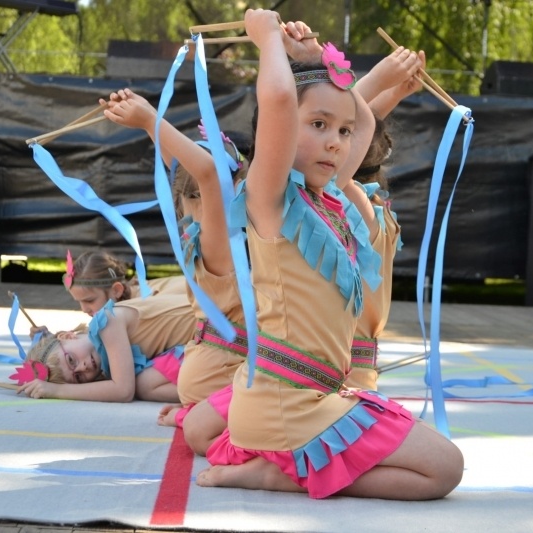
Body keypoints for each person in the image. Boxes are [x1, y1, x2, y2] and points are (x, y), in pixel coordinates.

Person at [197, 9, 463, 501]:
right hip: (287, 401)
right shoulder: (270, 199)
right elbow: (278, 99)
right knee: (445, 468)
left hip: (314, 396)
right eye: (318, 125)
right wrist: (267, 42)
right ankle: (279, 474)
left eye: (341, 133)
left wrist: (314, 62)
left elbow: (362, 116)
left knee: (443, 467)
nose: (336, 142)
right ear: (279, 133)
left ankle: (284, 468)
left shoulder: (329, 199)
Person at [100, 88, 248, 441]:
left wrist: (151, 123)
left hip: (218, 378)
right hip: (216, 378)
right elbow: (203, 173)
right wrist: (150, 119)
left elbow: (200, 174)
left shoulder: (217, 238)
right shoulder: (213, 239)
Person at [341, 46, 426, 390]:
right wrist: (394, 90)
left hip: (332, 381)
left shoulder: (350, 201)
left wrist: (377, 80)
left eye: (335, 132)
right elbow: (361, 124)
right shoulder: (374, 205)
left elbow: (353, 126)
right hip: (347, 376)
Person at [19, 286, 198, 402]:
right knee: (144, 383)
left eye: (72, 360)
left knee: (142, 385)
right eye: (79, 378)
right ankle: (215, 391)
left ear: (67, 336)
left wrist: (57, 391)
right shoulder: (101, 354)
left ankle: (219, 390)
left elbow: (123, 391)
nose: (83, 368)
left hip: (216, 324)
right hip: (203, 336)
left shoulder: (106, 323)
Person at [29, 249, 189, 339]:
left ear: (117, 290)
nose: (84, 309)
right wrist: (53, 337)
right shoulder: (130, 296)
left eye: (90, 300)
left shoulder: (143, 308)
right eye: (79, 302)